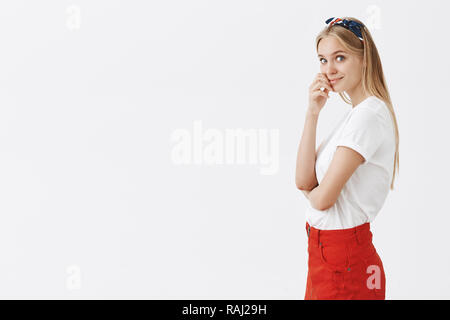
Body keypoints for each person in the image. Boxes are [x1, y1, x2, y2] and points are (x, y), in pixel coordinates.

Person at [295, 17, 400, 300]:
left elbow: (322, 198)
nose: (329, 70)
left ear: (365, 58)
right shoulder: (354, 115)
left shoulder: (369, 115)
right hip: (325, 257)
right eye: (322, 59)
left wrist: (312, 192)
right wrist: (312, 112)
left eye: (339, 57)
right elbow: (303, 181)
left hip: (345, 263)